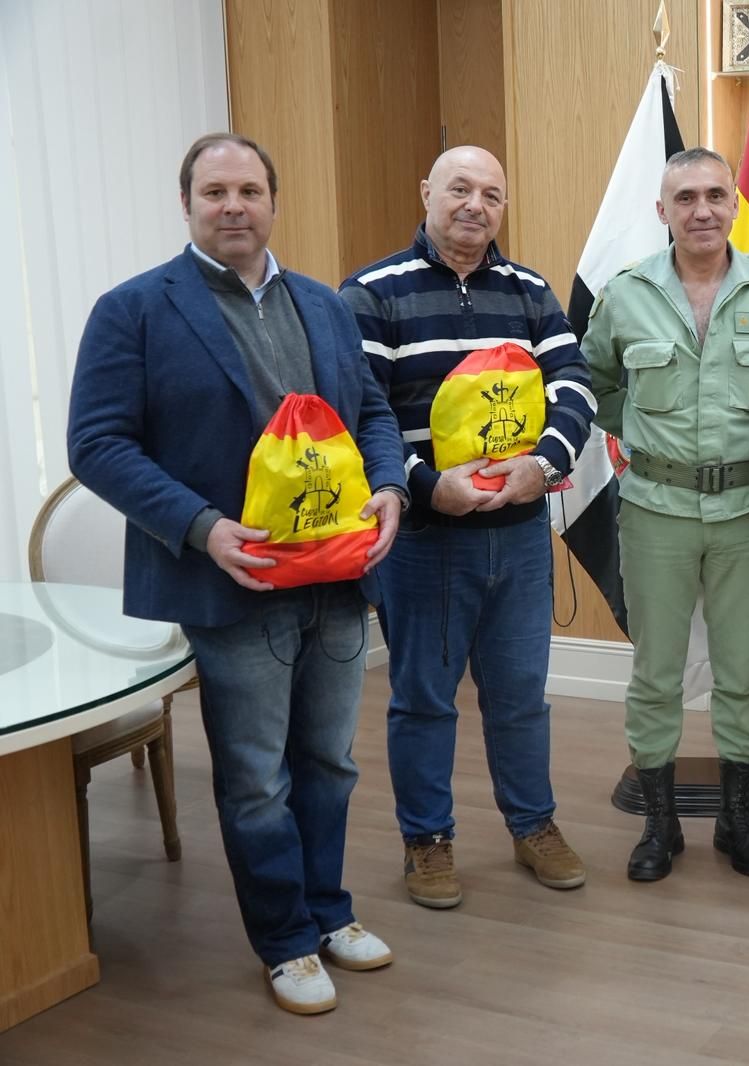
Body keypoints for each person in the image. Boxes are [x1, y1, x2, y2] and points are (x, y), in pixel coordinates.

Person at [67, 133, 406, 1015]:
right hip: (234, 583)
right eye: (214, 190)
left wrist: (391, 488)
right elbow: (97, 445)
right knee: (257, 775)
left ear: (272, 202)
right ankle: (286, 940)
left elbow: (370, 411)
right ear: (187, 204)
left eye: (249, 189)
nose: (233, 206)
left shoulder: (325, 306)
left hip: (336, 579)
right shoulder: (134, 309)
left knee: (329, 762)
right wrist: (202, 528)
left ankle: (329, 912)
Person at [339, 146, 597, 909]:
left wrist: (543, 465)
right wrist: (423, 487)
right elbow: (361, 410)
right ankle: (427, 841)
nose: (475, 205)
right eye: (460, 188)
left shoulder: (528, 292)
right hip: (425, 540)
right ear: (427, 192)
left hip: (519, 533)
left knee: (520, 693)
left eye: (492, 193)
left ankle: (534, 825)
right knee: (424, 697)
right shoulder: (371, 293)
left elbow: (573, 382)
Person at [581, 147, 749, 882]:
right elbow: (598, 386)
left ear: (735, 203)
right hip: (655, 508)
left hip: (748, 508)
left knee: (742, 673)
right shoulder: (626, 294)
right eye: (685, 198)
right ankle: (660, 824)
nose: (702, 210)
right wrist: (654, 443)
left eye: (715, 194)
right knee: (656, 673)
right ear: (662, 211)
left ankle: (737, 822)